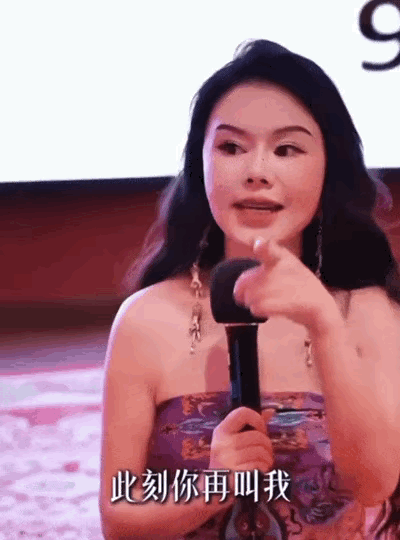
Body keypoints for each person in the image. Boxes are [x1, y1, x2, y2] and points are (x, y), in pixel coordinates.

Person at [99, 39, 400, 539]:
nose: (257, 172)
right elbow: (118, 517)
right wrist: (211, 489)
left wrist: (324, 324)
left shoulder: (367, 312)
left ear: (328, 166)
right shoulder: (145, 319)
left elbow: (373, 485)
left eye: (287, 149)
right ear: (201, 163)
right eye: (231, 148)